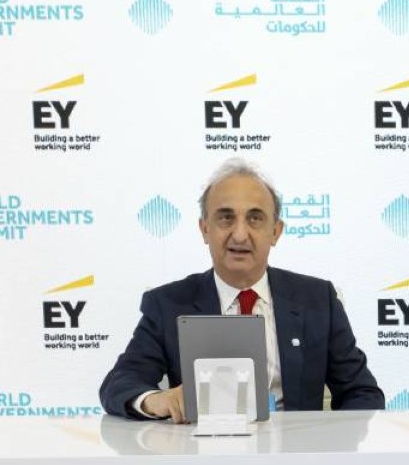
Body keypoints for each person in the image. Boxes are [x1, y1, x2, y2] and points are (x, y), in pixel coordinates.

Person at [100, 159, 383, 421]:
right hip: (202, 452)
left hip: (297, 452)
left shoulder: (318, 300)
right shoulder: (168, 304)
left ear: (276, 231)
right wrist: (156, 400)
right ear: (204, 229)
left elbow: (363, 394)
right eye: (225, 218)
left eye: (255, 218)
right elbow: (119, 383)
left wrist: (330, 445)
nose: (239, 234)